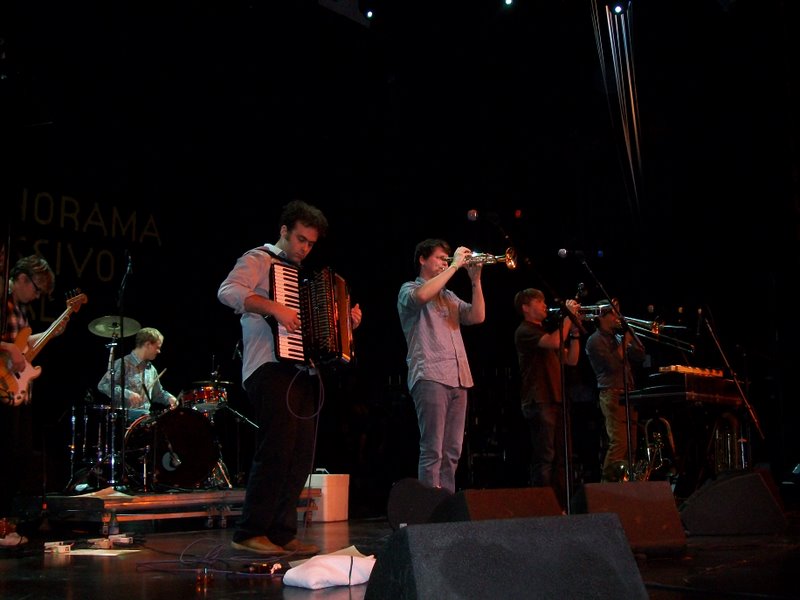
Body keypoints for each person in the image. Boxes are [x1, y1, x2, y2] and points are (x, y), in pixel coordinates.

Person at [218, 199, 362, 556]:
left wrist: (345, 323)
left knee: (300, 455)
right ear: (284, 230)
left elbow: (318, 330)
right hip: (268, 367)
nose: (305, 248)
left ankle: (282, 531)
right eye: (300, 239)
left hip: (302, 371)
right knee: (276, 450)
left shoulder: (303, 277)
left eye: (311, 243)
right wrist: (273, 307)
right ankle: (250, 531)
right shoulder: (259, 259)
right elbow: (228, 291)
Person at [397, 239, 485, 494]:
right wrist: (456, 265)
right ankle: (429, 507)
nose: (445, 263)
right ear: (422, 259)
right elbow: (422, 296)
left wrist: (476, 280)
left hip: (459, 378)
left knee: (453, 451)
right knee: (433, 449)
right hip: (430, 375)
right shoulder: (409, 288)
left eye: (448, 259)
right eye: (440, 258)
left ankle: (446, 503)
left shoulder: (448, 296)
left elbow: (477, 316)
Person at [1, 254, 57, 547]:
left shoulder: (20, 311)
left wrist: (50, 333)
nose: (37, 296)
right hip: (2, 389)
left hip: (17, 393)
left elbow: (21, 345)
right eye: (36, 289)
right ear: (22, 278)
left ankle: (4, 522)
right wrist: (9, 348)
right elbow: (12, 348)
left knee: (19, 455)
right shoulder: (3, 301)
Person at [513, 288, 582, 510]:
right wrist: (568, 318)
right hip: (539, 400)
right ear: (526, 307)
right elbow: (553, 342)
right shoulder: (525, 331)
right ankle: (543, 507)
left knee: (563, 458)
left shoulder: (546, 332)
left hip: (556, 399)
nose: (544, 305)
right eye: (539, 301)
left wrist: (575, 334)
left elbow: (571, 360)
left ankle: (561, 506)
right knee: (545, 457)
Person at [584, 299, 646, 482]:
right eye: (613, 313)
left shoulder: (618, 338)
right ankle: (606, 485)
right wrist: (625, 341)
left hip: (629, 394)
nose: (617, 317)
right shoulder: (594, 341)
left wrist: (632, 334)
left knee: (631, 445)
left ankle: (626, 484)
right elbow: (611, 365)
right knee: (620, 443)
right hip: (612, 394)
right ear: (601, 316)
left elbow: (641, 355)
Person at [96, 327, 179, 425]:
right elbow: (104, 385)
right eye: (157, 347)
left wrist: (169, 398)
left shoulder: (151, 369)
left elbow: (158, 394)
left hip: (144, 420)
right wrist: (127, 394)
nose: (159, 351)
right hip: (123, 420)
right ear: (147, 344)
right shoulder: (123, 363)